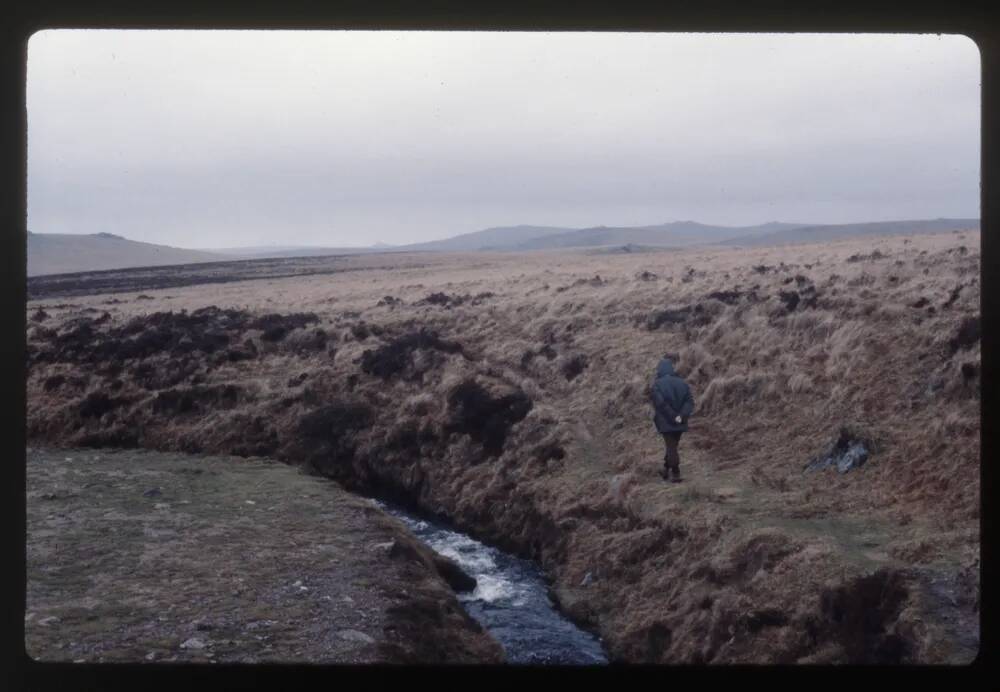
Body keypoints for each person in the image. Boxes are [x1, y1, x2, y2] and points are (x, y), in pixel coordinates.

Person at [651, 357, 694, 483]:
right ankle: (665, 469)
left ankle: (675, 472)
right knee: (672, 446)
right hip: (681, 421)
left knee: (671, 447)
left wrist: (673, 416)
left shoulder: (657, 384)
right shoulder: (683, 383)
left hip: (665, 422)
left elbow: (661, 404)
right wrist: (681, 415)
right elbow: (690, 402)